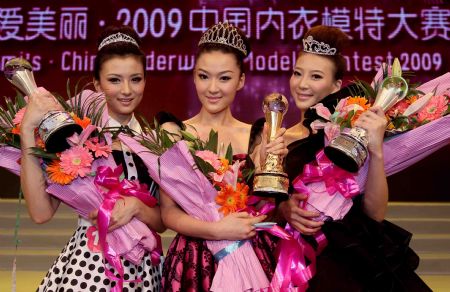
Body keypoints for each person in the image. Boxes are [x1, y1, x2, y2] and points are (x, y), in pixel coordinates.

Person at [277, 25, 431, 291]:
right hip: (292, 258)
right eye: (297, 73)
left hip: (347, 254)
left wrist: (376, 150)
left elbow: (375, 212)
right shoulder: (279, 137)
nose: (302, 84)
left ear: (337, 85)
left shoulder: (351, 132)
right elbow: (261, 204)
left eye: (315, 76)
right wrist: (283, 208)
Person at [20, 25, 165, 291]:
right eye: (114, 80)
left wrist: (137, 207)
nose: (126, 90)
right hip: (88, 268)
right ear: (97, 83)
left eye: (136, 79)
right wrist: (28, 132)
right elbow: (40, 213)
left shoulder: (155, 142)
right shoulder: (75, 135)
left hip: (144, 268)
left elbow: (163, 220)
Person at [159, 22, 287, 291]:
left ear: (241, 80)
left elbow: (268, 207)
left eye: (224, 78)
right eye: (204, 76)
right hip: (192, 261)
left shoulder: (257, 134)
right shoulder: (175, 133)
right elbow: (168, 213)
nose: (212, 88)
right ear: (193, 76)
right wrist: (217, 231)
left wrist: (269, 164)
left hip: (249, 255)